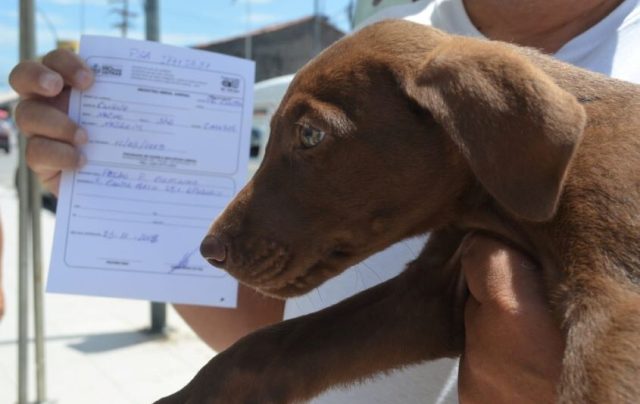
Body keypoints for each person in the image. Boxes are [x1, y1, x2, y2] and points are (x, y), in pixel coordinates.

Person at [8, 0, 640, 402]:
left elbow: (615, 316)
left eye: (310, 134)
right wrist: (108, 184)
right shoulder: (382, 46)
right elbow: (307, 312)